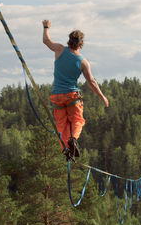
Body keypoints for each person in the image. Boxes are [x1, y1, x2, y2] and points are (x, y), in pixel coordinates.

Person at [42, 19, 109, 161]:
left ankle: (66, 149)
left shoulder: (59, 50)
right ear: (82, 43)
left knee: (62, 124)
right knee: (77, 121)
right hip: (72, 96)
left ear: (69, 41)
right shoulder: (83, 62)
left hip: (57, 96)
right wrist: (102, 96)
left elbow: (46, 41)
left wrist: (46, 27)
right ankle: (73, 139)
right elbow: (91, 82)